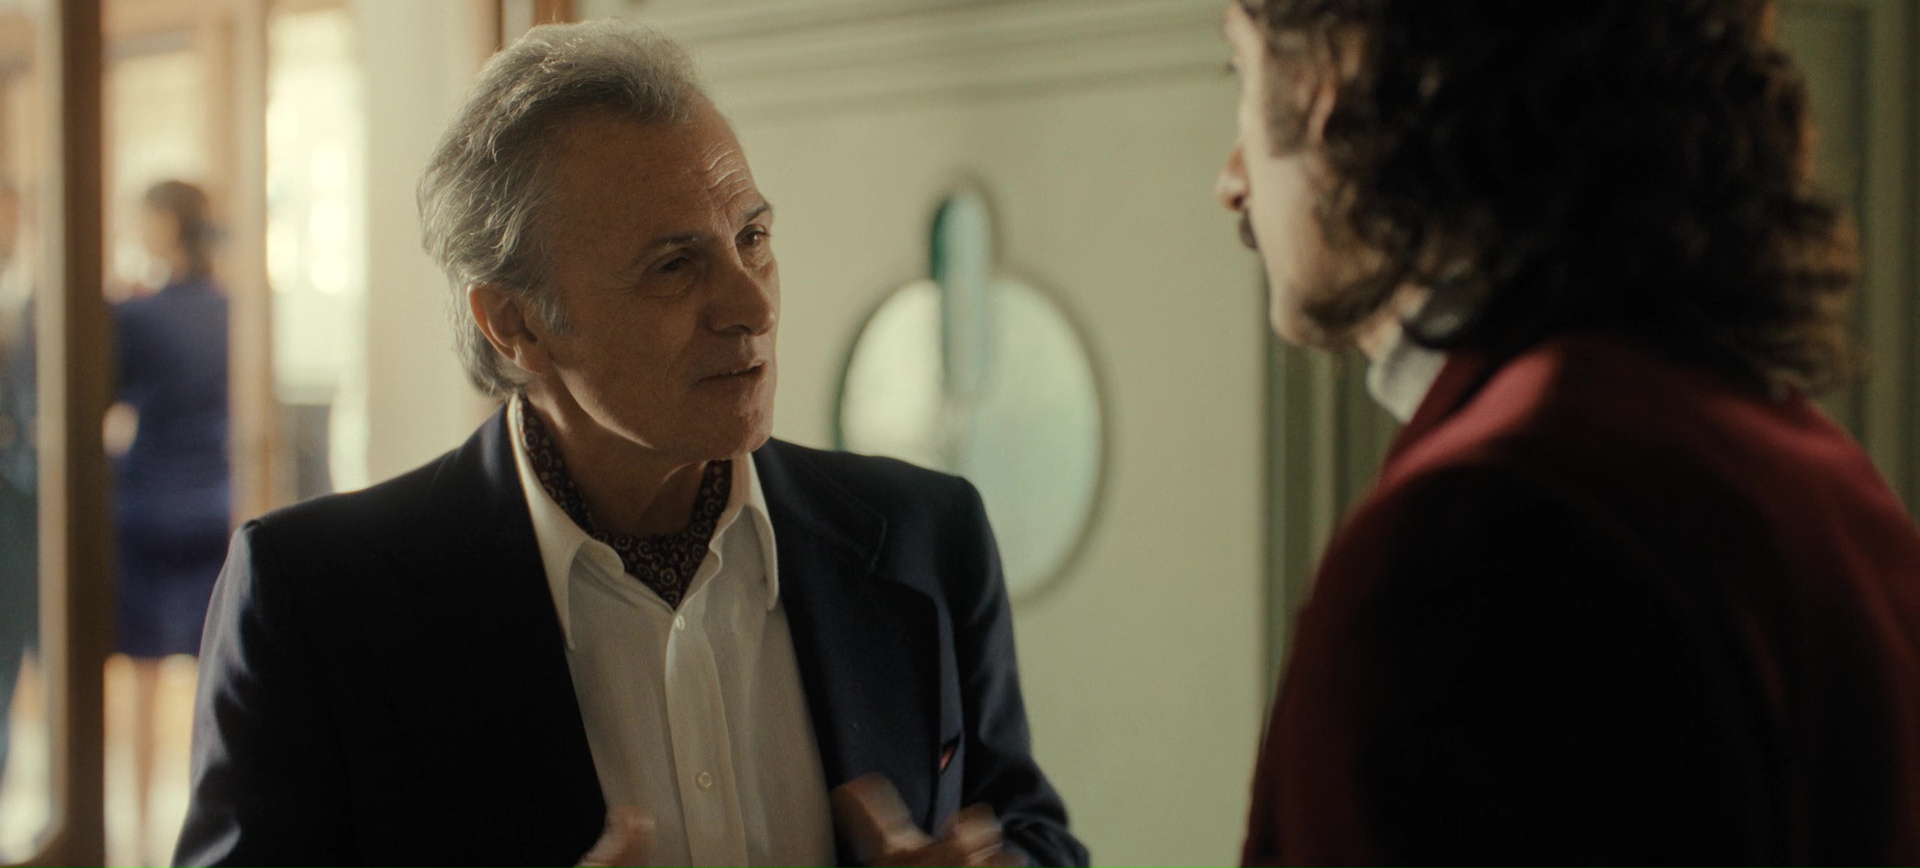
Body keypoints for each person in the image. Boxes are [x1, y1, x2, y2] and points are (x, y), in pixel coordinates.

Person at [174, 20, 1083, 868]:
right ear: (515, 323)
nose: (753, 305)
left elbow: (1028, 828)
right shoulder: (319, 604)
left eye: (753, 238)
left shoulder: (925, 535)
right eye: (675, 266)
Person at [1216, 1, 1920, 865]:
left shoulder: (1479, 538)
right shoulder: (1815, 472)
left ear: (1334, 78)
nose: (1231, 180)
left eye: (1241, 71)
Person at [115, 178, 232, 855]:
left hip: (148, 503)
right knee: (212, 673)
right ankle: (200, 830)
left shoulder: (135, 316)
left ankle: (135, 833)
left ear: (164, 226)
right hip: (214, 500)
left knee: (142, 675)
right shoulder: (232, 310)